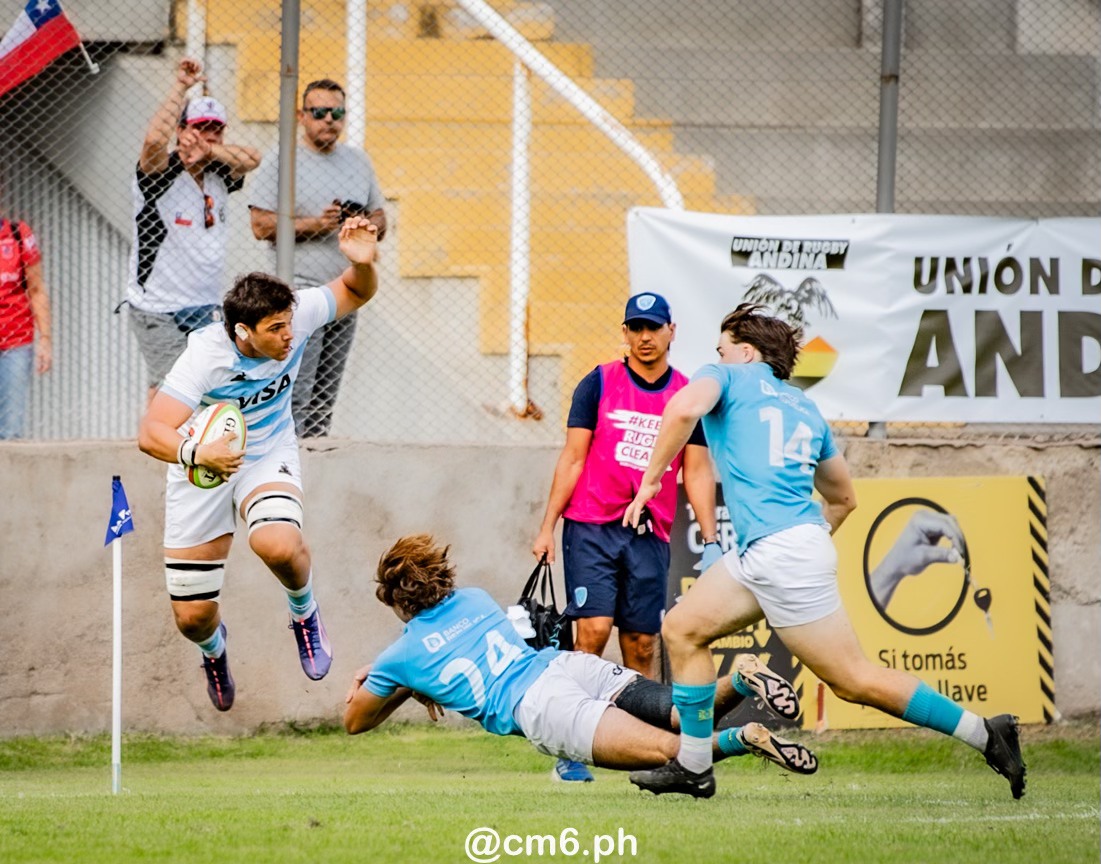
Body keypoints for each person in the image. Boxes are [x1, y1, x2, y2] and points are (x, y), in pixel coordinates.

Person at [622, 303, 1027, 799]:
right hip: (775, 550)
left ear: (746, 353)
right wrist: (804, 541)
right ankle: (694, 765)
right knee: (682, 629)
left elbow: (684, 409)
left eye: (723, 347)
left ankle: (986, 733)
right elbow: (844, 499)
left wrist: (648, 485)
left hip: (777, 553)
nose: (718, 355)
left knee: (853, 680)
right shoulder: (805, 408)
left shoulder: (727, 376)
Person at [343, 533, 819, 789]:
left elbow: (355, 721)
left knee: (672, 753)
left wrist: (399, 682)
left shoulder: (401, 656)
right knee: (678, 712)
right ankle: (740, 677)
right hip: (568, 665)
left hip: (542, 707)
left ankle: (744, 738)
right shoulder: (475, 598)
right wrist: (408, 679)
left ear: (397, 602)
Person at [136, 217, 380, 711]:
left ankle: (304, 614)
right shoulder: (204, 355)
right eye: (275, 329)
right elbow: (150, 431)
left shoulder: (298, 314)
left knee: (279, 545)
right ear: (243, 332)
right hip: (200, 469)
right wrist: (198, 453)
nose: (289, 335)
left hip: (266, 453)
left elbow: (357, 292)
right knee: (192, 619)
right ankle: (214, 650)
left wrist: (363, 263)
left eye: (289, 322)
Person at [532, 291, 721, 782]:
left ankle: (645, 751)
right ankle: (570, 749)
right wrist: (547, 526)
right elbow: (573, 458)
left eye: (653, 328)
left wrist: (711, 537)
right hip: (591, 526)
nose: (644, 337)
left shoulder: (687, 395)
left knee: (640, 644)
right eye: (635, 327)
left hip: (649, 532)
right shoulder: (598, 383)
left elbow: (697, 473)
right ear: (625, 333)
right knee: (591, 633)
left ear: (671, 332)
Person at [248, 78, 387, 439]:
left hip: (346, 291)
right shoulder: (284, 160)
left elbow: (382, 220)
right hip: (299, 295)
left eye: (337, 113)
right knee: (297, 389)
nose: (329, 120)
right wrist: (315, 224)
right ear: (301, 116)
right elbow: (260, 225)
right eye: (320, 112)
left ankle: (316, 460)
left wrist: (361, 225)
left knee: (325, 396)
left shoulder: (358, 161)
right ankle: (287, 461)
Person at [125, 57, 261, 405]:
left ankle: (189, 453)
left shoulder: (220, 171)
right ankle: (160, 449)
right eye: (201, 127)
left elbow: (253, 157)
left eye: (217, 128)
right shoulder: (160, 171)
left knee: (209, 389)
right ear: (182, 129)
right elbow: (153, 140)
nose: (210, 134)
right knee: (171, 387)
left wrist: (210, 149)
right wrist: (180, 87)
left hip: (205, 304)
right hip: (159, 305)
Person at [0, 215, 51, 438]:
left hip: (16, 340)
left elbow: (36, 289)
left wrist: (46, 339)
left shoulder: (18, 234)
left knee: (11, 428)